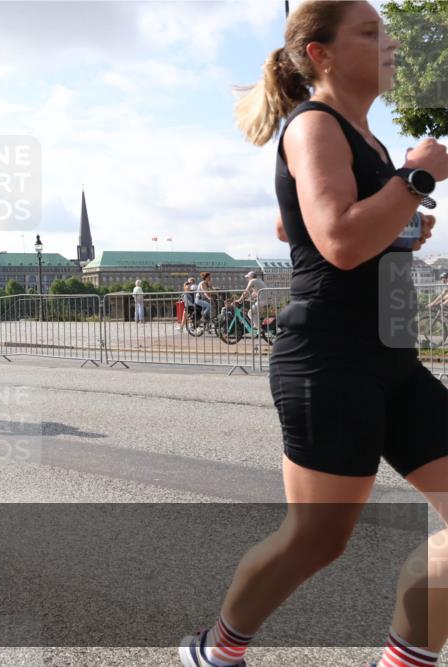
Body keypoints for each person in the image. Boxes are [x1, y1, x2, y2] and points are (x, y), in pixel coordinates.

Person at [179, 4, 447, 667]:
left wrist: (402, 222)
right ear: (321, 54)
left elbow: (296, 228)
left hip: (395, 360)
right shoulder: (313, 125)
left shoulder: (369, 138)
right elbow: (341, 241)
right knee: (317, 540)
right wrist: (417, 180)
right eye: (369, 32)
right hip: (328, 362)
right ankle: (216, 651)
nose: (388, 44)